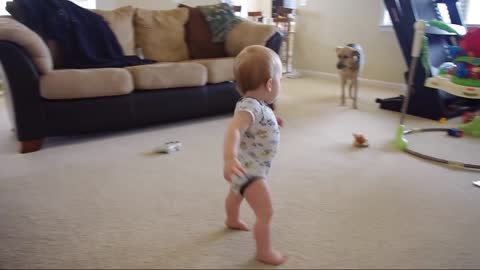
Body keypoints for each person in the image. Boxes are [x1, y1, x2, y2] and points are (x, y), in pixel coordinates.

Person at [223, 45, 286, 265]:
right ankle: (264, 251)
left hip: (244, 168)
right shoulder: (250, 108)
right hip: (251, 171)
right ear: (270, 84)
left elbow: (254, 125)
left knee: (236, 194)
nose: (280, 84)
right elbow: (235, 129)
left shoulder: (254, 105)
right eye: (280, 79)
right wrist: (229, 158)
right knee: (265, 212)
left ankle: (231, 219)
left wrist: (272, 124)